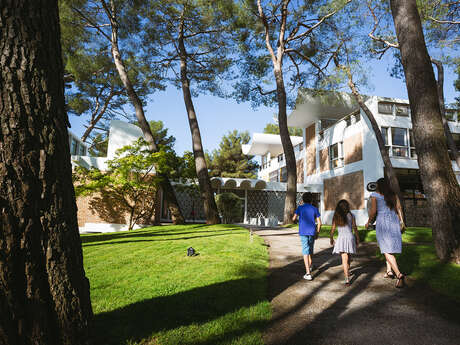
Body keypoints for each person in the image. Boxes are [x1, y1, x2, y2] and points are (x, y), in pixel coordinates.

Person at [365, 178, 406, 288]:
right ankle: (389, 271)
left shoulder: (375, 195)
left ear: (378, 185)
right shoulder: (393, 195)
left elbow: (373, 212)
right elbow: (399, 208)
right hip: (394, 220)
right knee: (390, 247)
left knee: (386, 249)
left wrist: (368, 222)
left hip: (383, 221)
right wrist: (402, 222)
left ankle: (399, 274)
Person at [292, 192, 321, 281]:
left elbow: (293, 218)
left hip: (303, 232)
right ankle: (311, 265)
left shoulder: (300, 208)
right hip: (312, 232)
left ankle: (308, 273)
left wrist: (296, 220)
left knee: (305, 251)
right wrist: (317, 232)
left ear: (303, 200)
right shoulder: (315, 209)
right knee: (310, 249)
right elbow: (320, 223)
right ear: (311, 200)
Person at [330, 200, 360, 285]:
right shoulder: (351, 215)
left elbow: (333, 228)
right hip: (350, 237)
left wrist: (331, 238)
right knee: (348, 256)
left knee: (344, 258)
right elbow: (355, 227)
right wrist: (358, 238)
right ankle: (348, 271)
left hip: (341, 238)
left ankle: (347, 278)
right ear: (347, 206)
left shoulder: (336, 216)